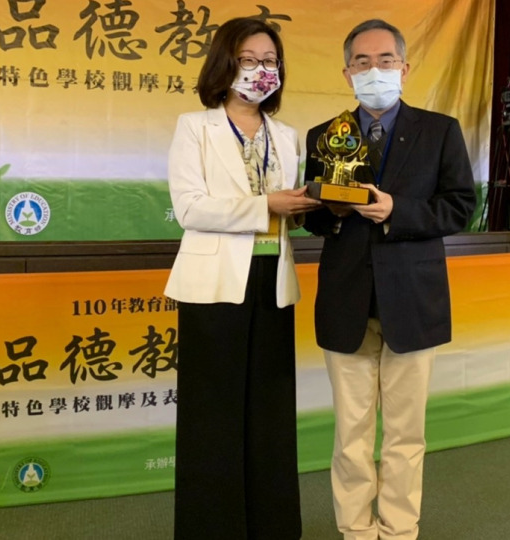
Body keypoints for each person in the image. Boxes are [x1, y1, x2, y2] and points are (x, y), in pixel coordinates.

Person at [303, 19, 476, 540]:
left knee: (405, 433)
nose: (373, 70)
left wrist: (397, 211)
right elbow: (314, 220)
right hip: (346, 301)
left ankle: (399, 529)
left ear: (404, 67)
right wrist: (331, 211)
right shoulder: (324, 136)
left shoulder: (440, 130)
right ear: (346, 72)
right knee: (351, 434)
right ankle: (356, 529)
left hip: (413, 301)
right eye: (362, 62)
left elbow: (460, 207)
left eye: (384, 60)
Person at [165, 17, 320, 540]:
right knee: (213, 414)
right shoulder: (195, 127)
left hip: (272, 280)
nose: (260, 70)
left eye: (270, 61)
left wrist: (311, 207)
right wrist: (266, 205)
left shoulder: (287, 135)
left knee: (270, 411)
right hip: (213, 284)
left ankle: (273, 527)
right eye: (249, 60)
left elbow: (290, 209)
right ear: (225, 64)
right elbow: (190, 208)